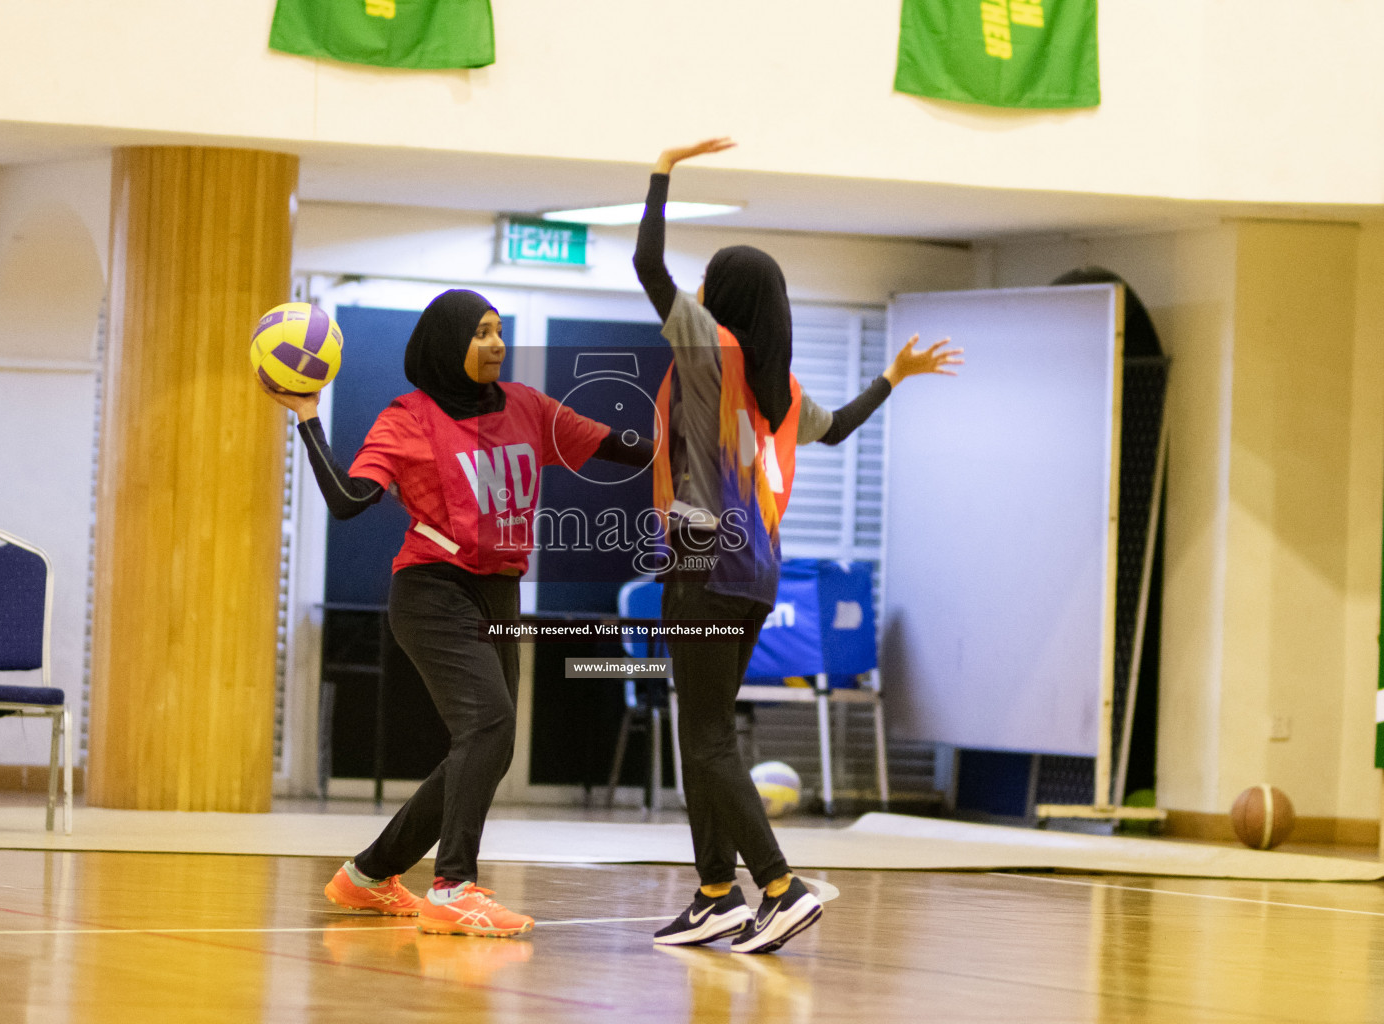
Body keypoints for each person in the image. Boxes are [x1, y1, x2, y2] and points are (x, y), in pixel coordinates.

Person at [633, 138, 961, 954]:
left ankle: (778, 886)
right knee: (700, 730)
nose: (695, 285)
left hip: (702, 560)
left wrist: (662, 170)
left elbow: (647, 264)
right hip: (755, 571)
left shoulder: (710, 348)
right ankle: (716, 895)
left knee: (704, 737)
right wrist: (891, 377)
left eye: (708, 277)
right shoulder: (779, 386)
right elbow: (839, 430)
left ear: (721, 297)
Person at [262, 288, 651, 938]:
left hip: (498, 591)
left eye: (498, 331)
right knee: (490, 725)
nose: (496, 343)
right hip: (432, 589)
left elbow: (616, 446)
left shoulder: (525, 406)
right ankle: (452, 887)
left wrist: (694, 447)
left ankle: (366, 875)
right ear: (449, 345)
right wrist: (307, 416)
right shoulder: (406, 418)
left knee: (488, 746)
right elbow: (350, 501)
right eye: (481, 333)